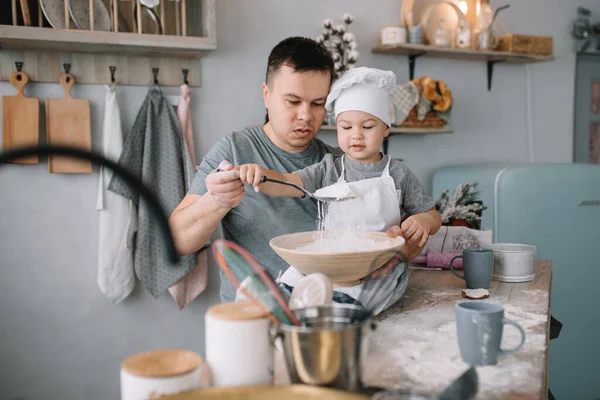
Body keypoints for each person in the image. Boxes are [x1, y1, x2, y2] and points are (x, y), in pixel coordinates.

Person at [169, 37, 429, 302]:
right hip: (257, 317)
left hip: (333, 312)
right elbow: (177, 240)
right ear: (266, 95)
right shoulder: (234, 152)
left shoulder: (344, 164)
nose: (306, 115)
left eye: (317, 104)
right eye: (293, 102)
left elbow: (410, 239)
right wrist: (215, 201)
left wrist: (401, 245)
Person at [237, 67, 442, 310]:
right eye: (346, 127)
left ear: (386, 128)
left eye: (367, 127)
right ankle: (272, 301)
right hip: (330, 262)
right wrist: (260, 175)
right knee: (297, 277)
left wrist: (424, 221)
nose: (356, 135)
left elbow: (433, 215)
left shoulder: (398, 173)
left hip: (377, 268)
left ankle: (333, 309)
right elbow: (289, 182)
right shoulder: (328, 169)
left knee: (348, 303)